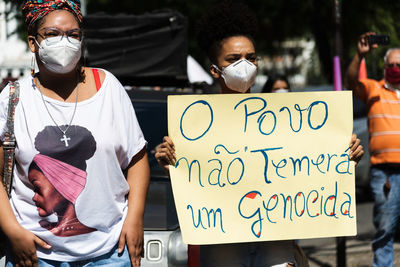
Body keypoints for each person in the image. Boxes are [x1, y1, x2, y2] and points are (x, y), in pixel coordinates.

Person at [155, 1, 364, 266]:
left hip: (276, 242)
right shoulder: (195, 125)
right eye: (233, 59)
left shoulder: (288, 119)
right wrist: (169, 163)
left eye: (251, 58)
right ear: (214, 70)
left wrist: (344, 154)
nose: (244, 65)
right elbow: (190, 181)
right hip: (222, 244)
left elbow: (311, 166)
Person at [0, 1, 150, 266]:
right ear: (33, 43)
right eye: (53, 34)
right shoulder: (13, 99)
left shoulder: (109, 88)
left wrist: (135, 219)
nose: (65, 41)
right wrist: (13, 231)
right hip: (37, 256)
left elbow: (137, 159)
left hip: (110, 252)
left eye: (73, 34)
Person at [344, 32, 400, 267]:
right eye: (392, 64)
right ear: (384, 67)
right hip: (385, 173)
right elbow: (350, 82)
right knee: (385, 229)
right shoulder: (373, 89)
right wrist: (360, 55)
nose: (396, 68)